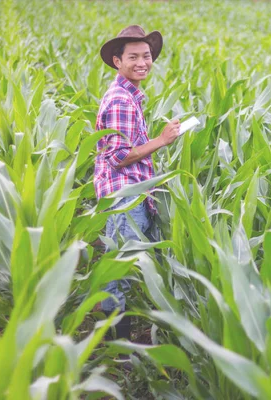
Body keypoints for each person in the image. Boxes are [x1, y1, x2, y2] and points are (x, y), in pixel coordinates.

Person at [95, 25, 180, 341]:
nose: (142, 62)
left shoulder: (130, 96)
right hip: (124, 197)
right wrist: (161, 140)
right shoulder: (120, 100)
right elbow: (118, 156)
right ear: (117, 61)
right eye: (133, 56)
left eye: (146, 56)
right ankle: (115, 342)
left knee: (124, 263)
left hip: (134, 194)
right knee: (118, 266)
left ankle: (118, 337)